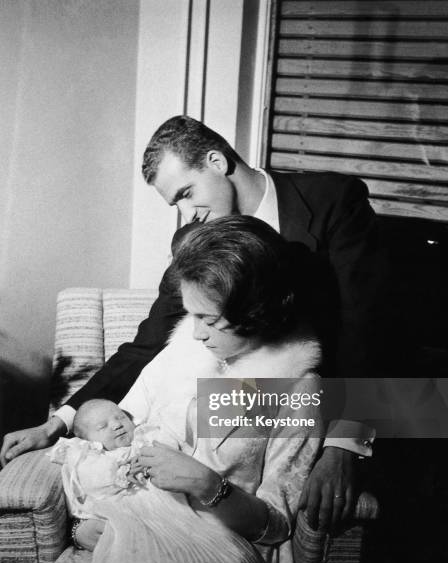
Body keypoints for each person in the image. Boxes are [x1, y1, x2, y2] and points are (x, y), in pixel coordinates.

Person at [1, 115, 382, 533]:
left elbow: (366, 331)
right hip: (219, 417)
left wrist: (344, 446)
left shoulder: (333, 200)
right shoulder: (195, 242)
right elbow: (145, 346)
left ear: (216, 161)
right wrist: (59, 421)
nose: (187, 215)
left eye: (186, 193)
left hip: (308, 407)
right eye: (175, 205)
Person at [35, 216, 323, 563]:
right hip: (134, 523)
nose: (196, 333)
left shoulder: (297, 388)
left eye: (208, 320)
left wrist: (206, 484)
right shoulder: (181, 352)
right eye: (192, 316)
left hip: (213, 546)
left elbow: (277, 525)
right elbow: (111, 436)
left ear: (257, 310)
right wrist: (93, 517)